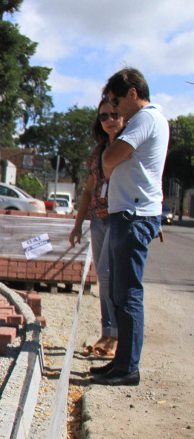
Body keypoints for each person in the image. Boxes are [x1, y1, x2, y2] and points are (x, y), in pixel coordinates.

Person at [92, 68, 169, 386]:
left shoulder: (145, 119)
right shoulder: (144, 120)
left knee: (128, 294)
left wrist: (111, 157)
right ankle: (122, 362)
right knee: (120, 293)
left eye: (116, 101)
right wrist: (110, 160)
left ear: (133, 94)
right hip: (128, 215)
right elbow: (109, 162)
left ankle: (127, 368)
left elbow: (111, 157)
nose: (115, 109)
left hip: (133, 216)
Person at [69, 99, 124, 359]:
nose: (109, 120)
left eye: (115, 114)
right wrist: (78, 224)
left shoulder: (128, 147)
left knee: (111, 276)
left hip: (119, 219)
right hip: (98, 220)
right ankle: (108, 331)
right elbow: (88, 191)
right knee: (104, 277)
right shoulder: (98, 151)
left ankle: (116, 336)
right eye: (103, 116)